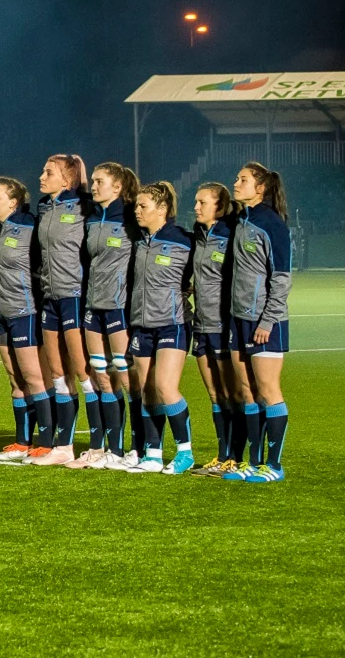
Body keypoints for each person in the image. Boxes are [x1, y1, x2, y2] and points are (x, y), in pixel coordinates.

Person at [223, 162, 292, 484]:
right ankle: (254, 461)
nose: (236, 184)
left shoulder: (272, 224)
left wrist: (268, 320)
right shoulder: (240, 221)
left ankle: (274, 466)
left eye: (243, 180)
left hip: (265, 322)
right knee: (248, 392)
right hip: (239, 320)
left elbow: (281, 279)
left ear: (260, 188)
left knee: (268, 390)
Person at [125, 181, 196, 474]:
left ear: (162, 209)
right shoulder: (140, 241)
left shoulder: (183, 240)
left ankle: (185, 452)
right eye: (137, 206)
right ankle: (153, 454)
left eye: (144, 206)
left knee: (166, 387)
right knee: (147, 390)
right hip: (141, 326)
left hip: (172, 324)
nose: (138, 211)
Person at [73, 161, 139, 468]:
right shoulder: (91, 217)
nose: (94, 187)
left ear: (118, 187)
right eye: (94, 182)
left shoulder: (129, 217)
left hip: (119, 307)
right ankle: (112, 450)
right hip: (93, 307)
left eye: (101, 182)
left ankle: (140, 447)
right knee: (100, 376)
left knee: (125, 377)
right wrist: (82, 177)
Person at [0, 176, 50, 463]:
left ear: (13, 201)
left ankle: (47, 442)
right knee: (15, 379)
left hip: (25, 312)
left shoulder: (28, 226)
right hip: (1, 314)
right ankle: (23, 441)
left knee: (35, 378)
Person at [30, 154, 90, 466]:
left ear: (66, 180)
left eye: (48, 172)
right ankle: (64, 447)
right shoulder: (43, 206)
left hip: (75, 295)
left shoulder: (83, 205)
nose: (41, 176)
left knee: (83, 370)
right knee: (57, 371)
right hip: (49, 296)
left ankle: (100, 445)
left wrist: (83, 173)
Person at [187, 182, 242, 476]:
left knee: (233, 394)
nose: (196, 207)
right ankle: (222, 456)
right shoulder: (199, 235)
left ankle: (236, 455)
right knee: (214, 394)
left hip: (222, 325)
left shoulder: (229, 235)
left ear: (219, 207)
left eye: (202, 203)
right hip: (201, 324)